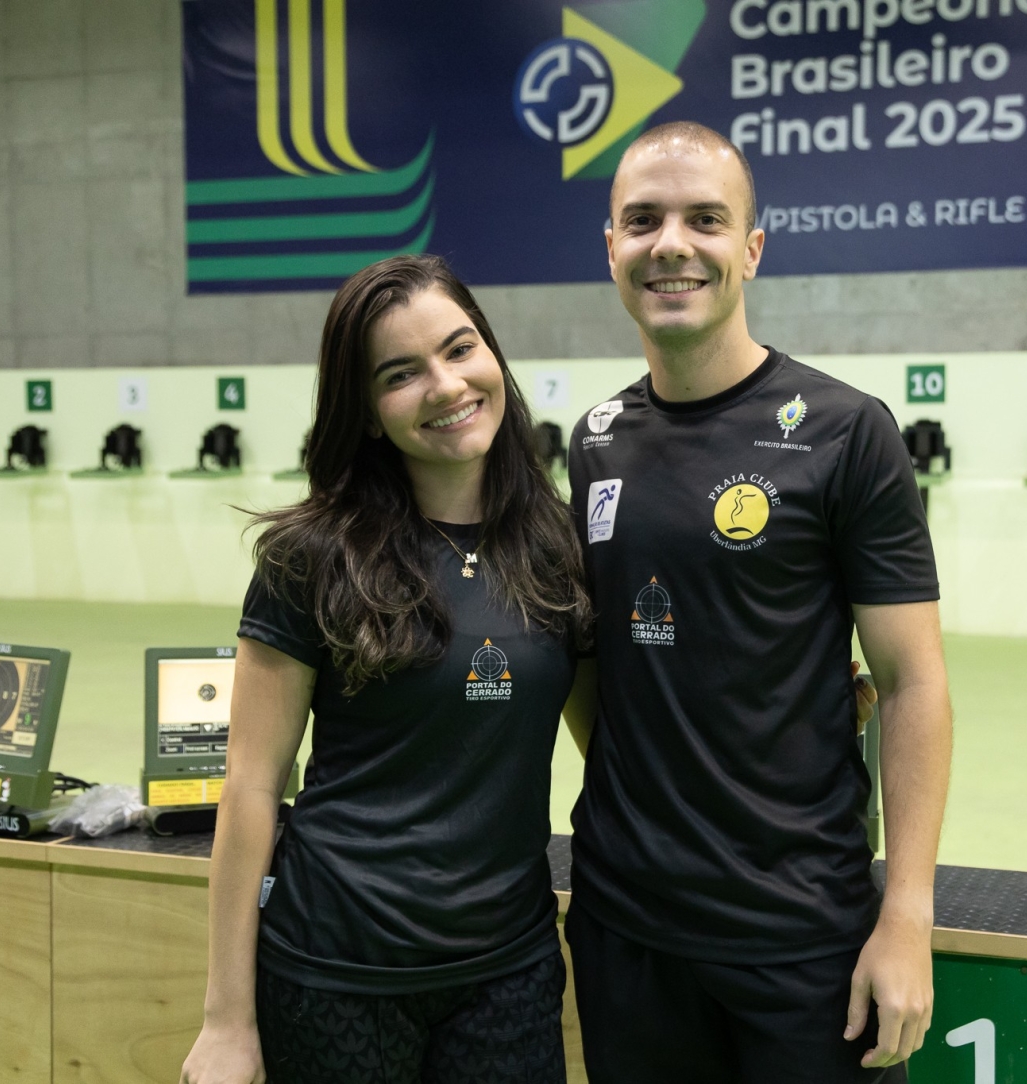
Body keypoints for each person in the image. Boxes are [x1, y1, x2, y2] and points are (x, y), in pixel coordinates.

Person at [560, 122, 953, 1082]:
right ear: (611, 246)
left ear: (752, 248)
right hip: (626, 930)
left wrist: (906, 916)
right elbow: (593, 665)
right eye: (643, 220)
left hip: (802, 935)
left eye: (706, 219)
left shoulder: (848, 432)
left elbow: (911, 684)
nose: (672, 245)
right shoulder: (594, 441)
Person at [179, 255, 594, 1084]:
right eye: (401, 374)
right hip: (338, 970)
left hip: (508, 969)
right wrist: (226, 1018)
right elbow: (251, 786)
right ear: (367, 413)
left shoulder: (555, 545)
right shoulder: (312, 556)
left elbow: (613, 744)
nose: (446, 385)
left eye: (460, 349)